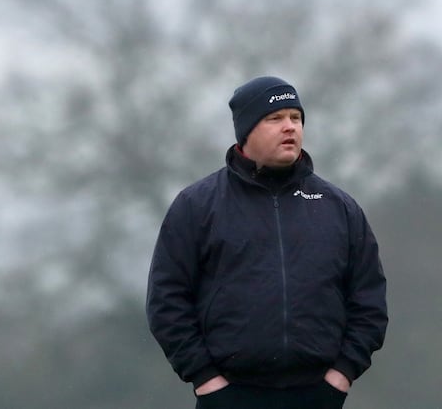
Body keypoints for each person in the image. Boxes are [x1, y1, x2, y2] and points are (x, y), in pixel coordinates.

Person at [146, 76, 388, 409]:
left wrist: (341, 375)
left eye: (296, 118)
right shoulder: (197, 206)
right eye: (275, 118)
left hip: (318, 396)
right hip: (228, 396)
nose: (290, 127)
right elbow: (167, 301)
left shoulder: (338, 207)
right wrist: (205, 379)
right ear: (245, 131)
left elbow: (369, 301)